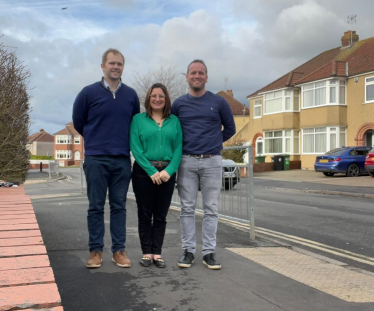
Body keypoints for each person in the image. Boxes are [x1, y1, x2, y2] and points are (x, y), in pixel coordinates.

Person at [72, 48, 140, 269]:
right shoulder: (87, 93)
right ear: (103, 66)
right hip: (96, 159)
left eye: (119, 63)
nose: (115, 67)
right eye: (111, 63)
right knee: (95, 207)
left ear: (123, 67)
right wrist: (96, 141)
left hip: (121, 159)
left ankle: (119, 251)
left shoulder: (130, 95)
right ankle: (95, 251)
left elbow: (133, 125)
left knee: (119, 206)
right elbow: (79, 122)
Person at [171, 59, 236, 270]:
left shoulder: (219, 102)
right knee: (187, 209)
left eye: (201, 73)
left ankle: (209, 252)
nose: (197, 76)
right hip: (186, 161)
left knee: (211, 209)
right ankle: (188, 251)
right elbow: (173, 131)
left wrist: (214, 142)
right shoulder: (178, 104)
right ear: (187, 77)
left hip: (212, 161)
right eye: (193, 73)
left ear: (206, 77)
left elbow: (230, 128)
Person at [130, 83, 182, 268]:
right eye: (154, 96)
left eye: (161, 96)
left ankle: (157, 253)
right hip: (143, 173)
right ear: (148, 98)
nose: (157, 99)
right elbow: (135, 147)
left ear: (166, 99)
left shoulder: (174, 121)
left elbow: (178, 149)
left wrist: (169, 171)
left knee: (160, 215)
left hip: (167, 174)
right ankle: (146, 253)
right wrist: (151, 171)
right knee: (144, 214)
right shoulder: (138, 120)